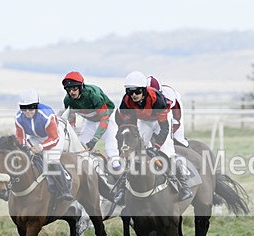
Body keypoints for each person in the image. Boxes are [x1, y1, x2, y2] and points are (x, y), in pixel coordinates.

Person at [113, 70, 193, 203]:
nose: (133, 95)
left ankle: (184, 187)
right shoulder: (126, 101)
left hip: (159, 121)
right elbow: (126, 123)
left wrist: (157, 146)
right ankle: (122, 188)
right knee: (134, 152)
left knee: (166, 152)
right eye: (130, 92)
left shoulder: (157, 100)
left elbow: (164, 128)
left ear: (144, 90)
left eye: (137, 91)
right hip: (143, 121)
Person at [14, 88, 74, 201]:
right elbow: (20, 138)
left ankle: (65, 189)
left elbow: (54, 138)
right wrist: (23, 150)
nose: (27, 111)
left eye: (31, 107)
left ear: (36, 105)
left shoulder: (46, 116)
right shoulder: (18, 118)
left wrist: (40, 147)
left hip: (53, 135)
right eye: (23, 108)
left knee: (50, 159)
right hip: (35, 136)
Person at [61, 71, 121, 168]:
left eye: (74, 88)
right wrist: (73, 132)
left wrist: (94, 140)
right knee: (79, 147)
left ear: (81, 87)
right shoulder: (68, 100)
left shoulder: (93, 95)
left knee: (111, 145)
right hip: (90, 121)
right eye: (68, 89)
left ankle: (116, 166)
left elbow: (104, 119)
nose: (71, 92)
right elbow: (71, 118)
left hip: (107, 117)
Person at [147, 75, 188, 147]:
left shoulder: (169, 96)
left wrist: (168, 134)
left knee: (177, 138)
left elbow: (176, 119)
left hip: (173, 108)